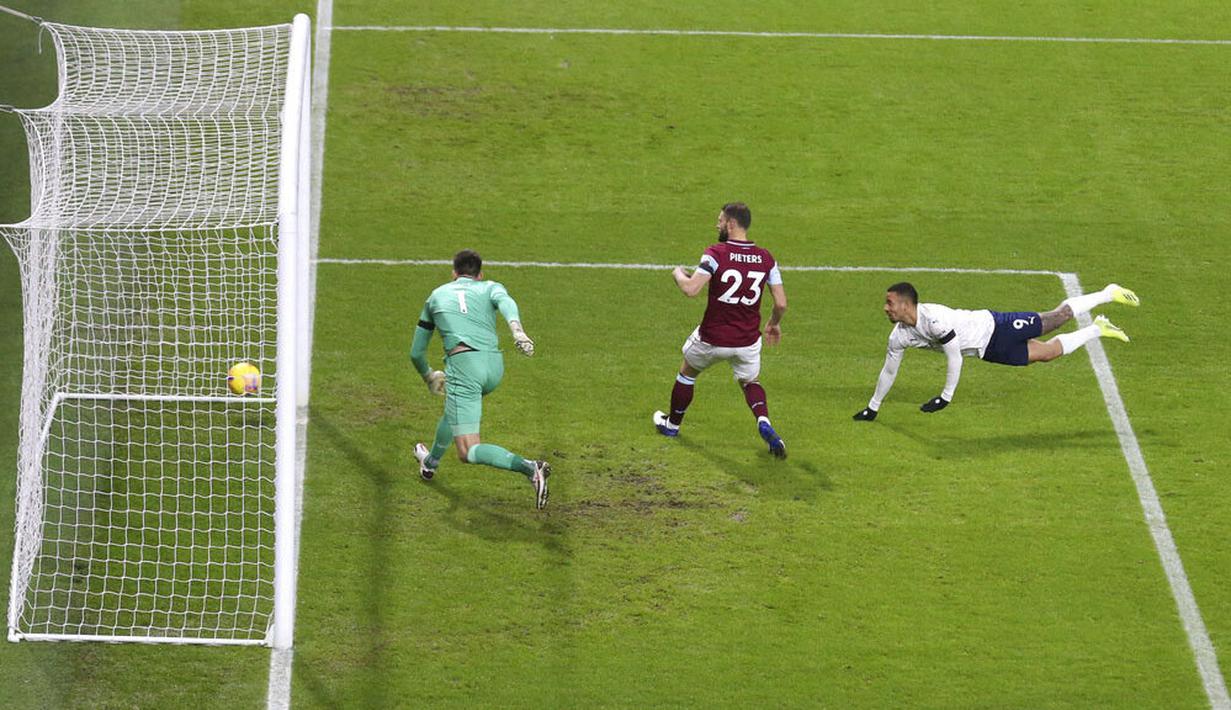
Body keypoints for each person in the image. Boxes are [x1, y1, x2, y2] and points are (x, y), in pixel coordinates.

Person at [852, 281, 1139, 420]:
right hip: (986, 350)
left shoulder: (935, 320)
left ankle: (1106, 293)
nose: (886, 308)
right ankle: (1098, 328)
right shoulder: (899, 336)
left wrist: (945, 398)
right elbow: (889, 370)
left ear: (906, 304)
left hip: (996, 326)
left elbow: (953, 357)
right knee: (1047, 354)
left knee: (1057, 318)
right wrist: (873, 408)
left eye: (890, 302)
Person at [409, 249, 550, 509]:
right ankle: (430, 464)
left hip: (464, 367)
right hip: (493, 367)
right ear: (480, 274)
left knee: (468, 451)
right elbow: (506, 302)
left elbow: (416, 353)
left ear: (454, 274)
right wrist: (517, 331)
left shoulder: (436, 296)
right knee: (455, 408)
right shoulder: (490, 286)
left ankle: (531, 468)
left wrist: (429, 376)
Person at [652, 202, 789, 457]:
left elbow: (691, 290)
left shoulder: (715, 253)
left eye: (720, 220)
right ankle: (764, 422)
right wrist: (774, 323)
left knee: (687, 372)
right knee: (750, 381)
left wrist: (678, 274)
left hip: (712, 339)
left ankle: (672, 425)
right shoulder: (767, 258)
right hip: (747, 342)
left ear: (731, 224)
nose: (717, 224)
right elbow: (781, 303)